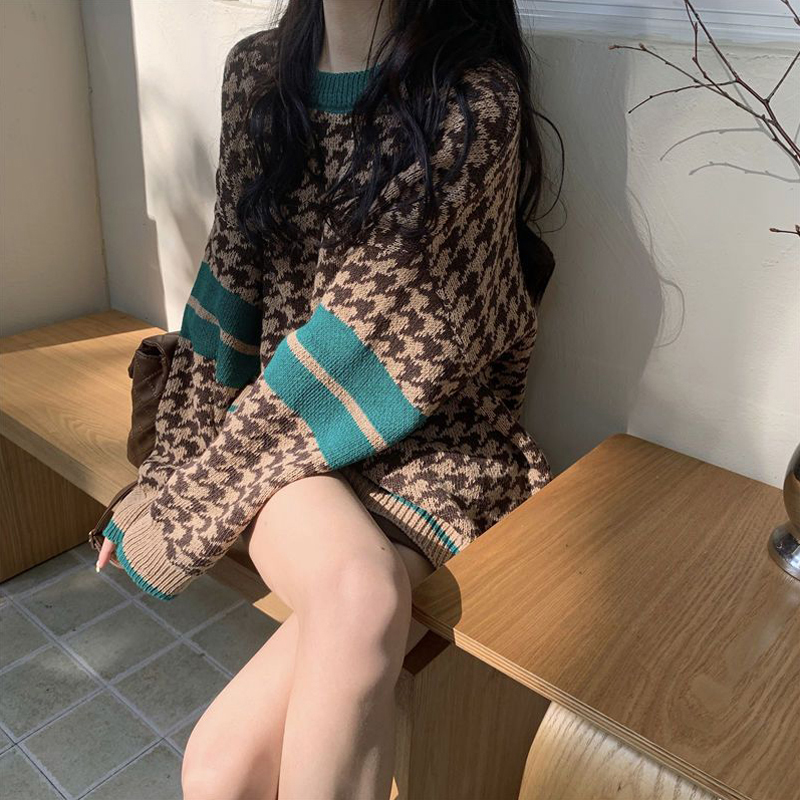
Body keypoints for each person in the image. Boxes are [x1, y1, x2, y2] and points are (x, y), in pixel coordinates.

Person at [95, 0, 560, 796]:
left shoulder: (470, 101)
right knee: (239, 748)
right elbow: (229, 282)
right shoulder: (257, 74)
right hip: (290, 437)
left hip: (431, 449)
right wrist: (175, 464)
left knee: (223, 766)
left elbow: (369, 337)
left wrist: (192, 501)